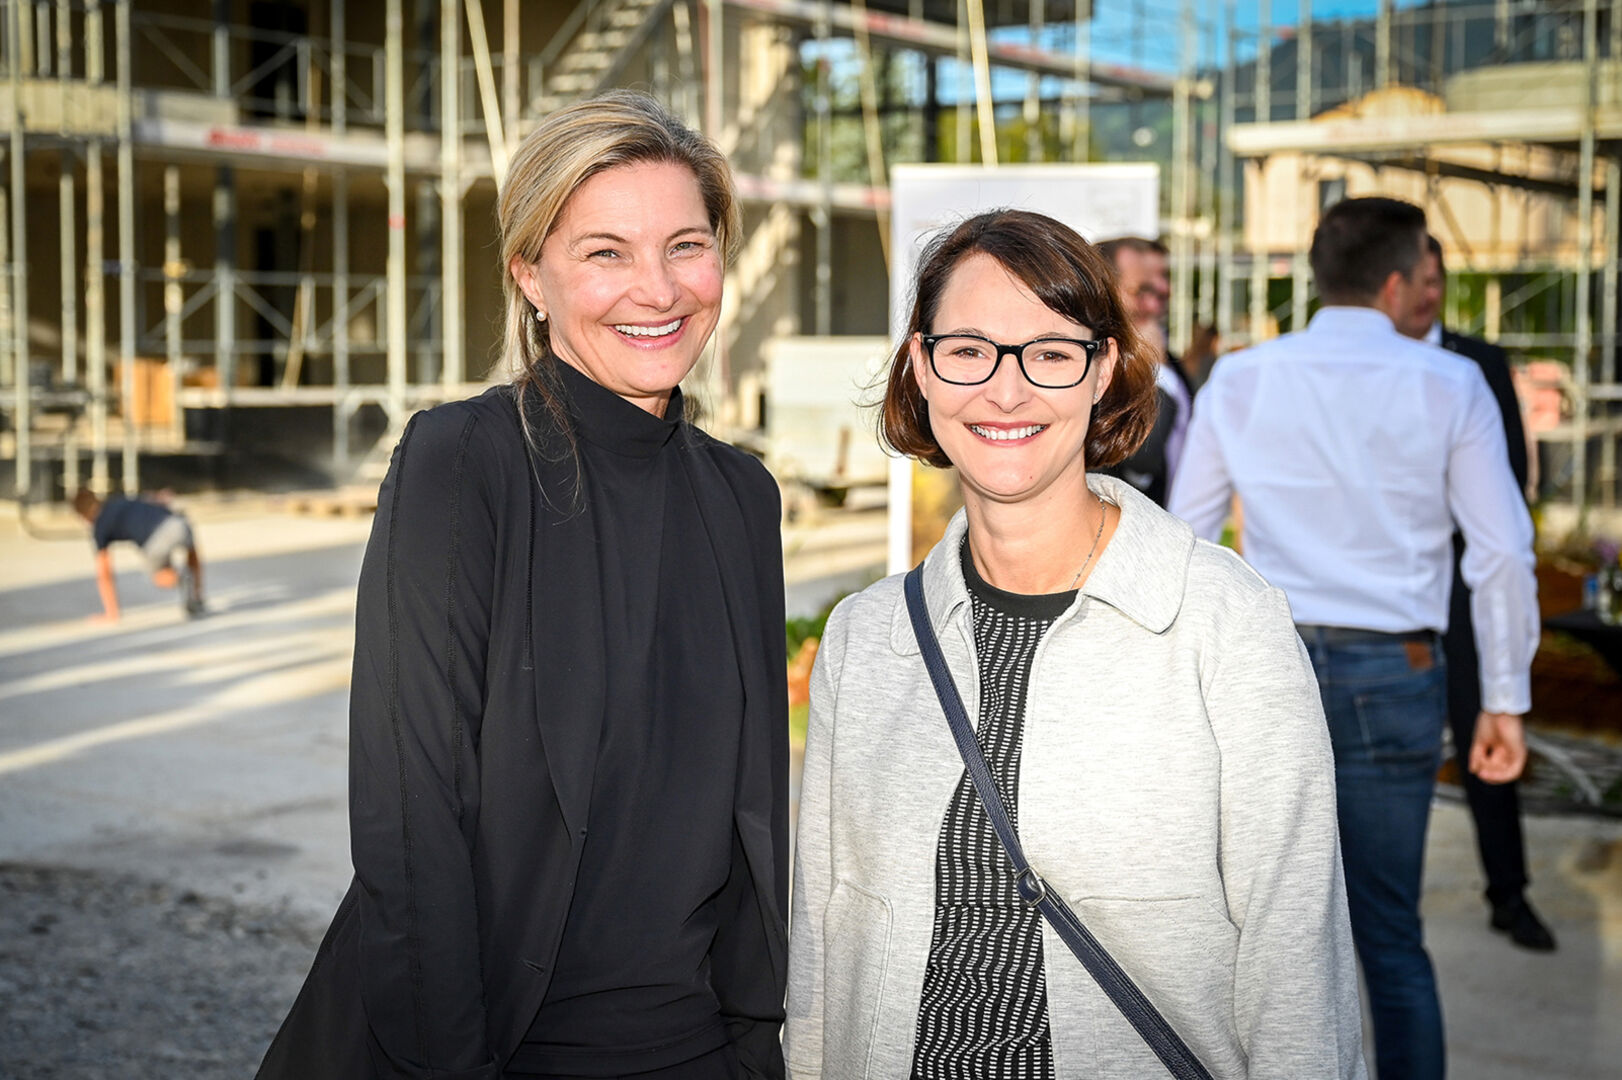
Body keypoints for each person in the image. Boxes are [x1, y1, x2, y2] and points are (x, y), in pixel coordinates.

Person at [257, 91, 789, 1080]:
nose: (658, 289)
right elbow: (409, 807)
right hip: (499, 1047)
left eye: (686, 245)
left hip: (695, 1049)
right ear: (528, 276)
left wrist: (753, 1046)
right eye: (604, 253)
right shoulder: (462, 461)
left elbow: (753, 807)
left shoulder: (741, 494)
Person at [785, 209, 1365, 1079]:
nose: (1006, 390)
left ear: (1100, 372)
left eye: (1050, 353)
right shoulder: (867, 640)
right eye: (969, 349)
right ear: (921, 368)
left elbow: (1297, 968)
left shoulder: (1221, 621)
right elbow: (824, 945)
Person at [1169, 197, 1539, 1080]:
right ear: (1396, 281)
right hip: (1396, 672)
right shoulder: (1448, 383)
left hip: (1267, 665)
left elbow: (1185, 536)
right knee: (1387, 936)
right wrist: (1506, 703)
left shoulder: (1243, 378)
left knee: (1252, 926)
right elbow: (1502, 553)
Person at [1394, 235, 1555, 952]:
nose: (1430, 292)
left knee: (1488, 727)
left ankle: (1509, 894)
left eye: (1439, 279)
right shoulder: (1364, 366)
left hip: (1465, 579)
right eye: (1418, 279)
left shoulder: (1479, 361)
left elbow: (1512, 479)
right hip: (1389, 581)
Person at [1095, 236, 1193, 506]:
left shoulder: (1166, 353)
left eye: (1163, 289)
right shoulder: (1095, 369)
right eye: (1143, 291)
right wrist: (1153, 369)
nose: (1155, 304)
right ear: (1107, 292)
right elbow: (1141, 461)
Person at [72, 487, 204, 619]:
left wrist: (111, 613)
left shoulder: (100, 525)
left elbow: (105, 573)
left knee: (158, 576)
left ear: (83, 515)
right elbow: (152, 498)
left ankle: (181, 578)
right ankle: (197, 597)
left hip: (156, 537)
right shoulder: (119, 499)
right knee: (190, 550)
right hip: (178, 522)